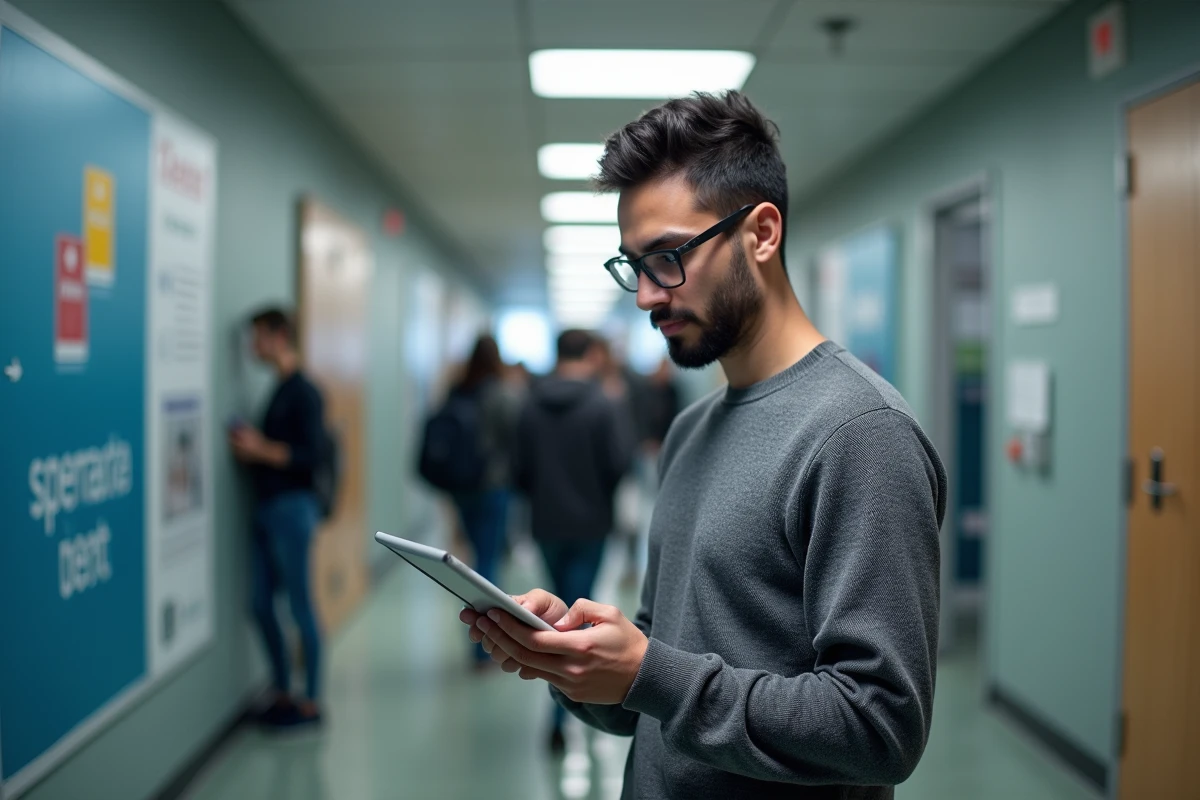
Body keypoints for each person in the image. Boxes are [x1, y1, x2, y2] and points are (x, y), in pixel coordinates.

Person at [461, 91, 946, 799]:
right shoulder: (692, 430)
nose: (646, 298)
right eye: (634, 265)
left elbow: (881, 728)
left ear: (762, 234)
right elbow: (663, 675)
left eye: (667, 257)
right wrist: (576, 664)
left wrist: (646, 672)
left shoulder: (859, 435)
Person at [511, 329, 635, 754]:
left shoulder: (531, 404)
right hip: (590, 524)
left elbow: (518, 469)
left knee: (554, 611)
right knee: (576, 612)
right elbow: (619, 464)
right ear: (590, 356)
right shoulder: (603, 404)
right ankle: (568, 710)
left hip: (546, 523)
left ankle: (563, 709)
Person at [230, 307, 327, 730]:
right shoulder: (278, 388)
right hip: (269, 508)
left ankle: (311, 701)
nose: (253, 347)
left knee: (300, 606)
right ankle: (283, 690)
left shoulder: (304, 391)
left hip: (292, 508)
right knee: (260, 604)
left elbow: (311, 457)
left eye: (259, 337)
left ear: (280, 336)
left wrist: (260, 449)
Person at [448, 335, 522, 667]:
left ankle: (479, 643)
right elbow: (514, 440)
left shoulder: (458, 389)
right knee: (488, 565)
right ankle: (485, 647)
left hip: (462, 489)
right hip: (493, 487)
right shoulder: (502, 394)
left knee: (475, 558)